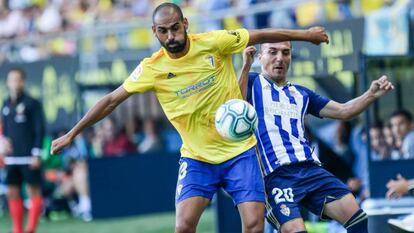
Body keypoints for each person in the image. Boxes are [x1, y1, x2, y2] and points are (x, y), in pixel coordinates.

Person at [51, 2, 329, 233]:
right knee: (183, 226)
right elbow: (111, 100)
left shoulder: (212, 43)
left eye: (174, 28)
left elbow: (261, 33)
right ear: (154, 32)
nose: (171, 36)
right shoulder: (152, 68)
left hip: (240, 152)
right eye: (163, 31)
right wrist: (72, 133)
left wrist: (306, 35)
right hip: (197, 157)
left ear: (185, 24)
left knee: (254, 224)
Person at [239, 43, 393, 233]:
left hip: (310, 169)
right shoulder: (252, 83)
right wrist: (245, 67)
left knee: (357, 218)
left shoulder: (302, 93)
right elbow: (235, 101)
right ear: (260, 56)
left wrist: (371, 94)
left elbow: (344, 111)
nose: (279, 57)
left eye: (285, 53)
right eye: (272, 52)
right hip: (275, 176)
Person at [1, 68, 45, 233]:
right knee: (13, 192)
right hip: (12, 158)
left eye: (18, 79)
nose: (15, 83)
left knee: (33, 190)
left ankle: (31, 228)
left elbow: (40, 130)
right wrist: (3, 143)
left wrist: (36, 153)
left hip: (28, 156)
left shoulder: (32, 103)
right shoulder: (5, 104)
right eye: (12, 79)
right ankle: (17, 229)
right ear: (8, 82)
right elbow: (4, 129)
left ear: (23, 81)